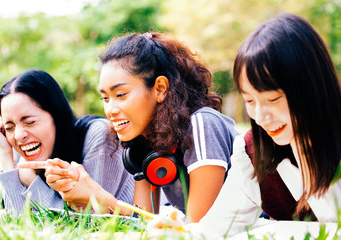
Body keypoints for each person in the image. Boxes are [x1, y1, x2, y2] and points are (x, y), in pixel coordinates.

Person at [158, 13, 341, 239]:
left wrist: (304, 148)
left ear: (312, 88)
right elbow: (217, 228)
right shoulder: (252, 153)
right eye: (250, 101)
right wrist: (174, 233)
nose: (260, 116)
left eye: (273, 99)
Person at [45, 32, 238, 222]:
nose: (110, 110)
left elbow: (198, 230)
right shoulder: (144, 145)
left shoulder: (202, 125)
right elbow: (144, 223)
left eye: (120, 94)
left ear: (160, 88)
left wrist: (102, 198)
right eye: (105, 98)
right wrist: (82, 190)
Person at [0, 69, 135, 214]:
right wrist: (5, 155)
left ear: (56, 117)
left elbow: (91, 220)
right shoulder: (24, 148)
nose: (18, 135)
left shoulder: (99, 136)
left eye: (30, 122)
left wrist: (32, 182)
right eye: (9, 127)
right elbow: (17, 219)